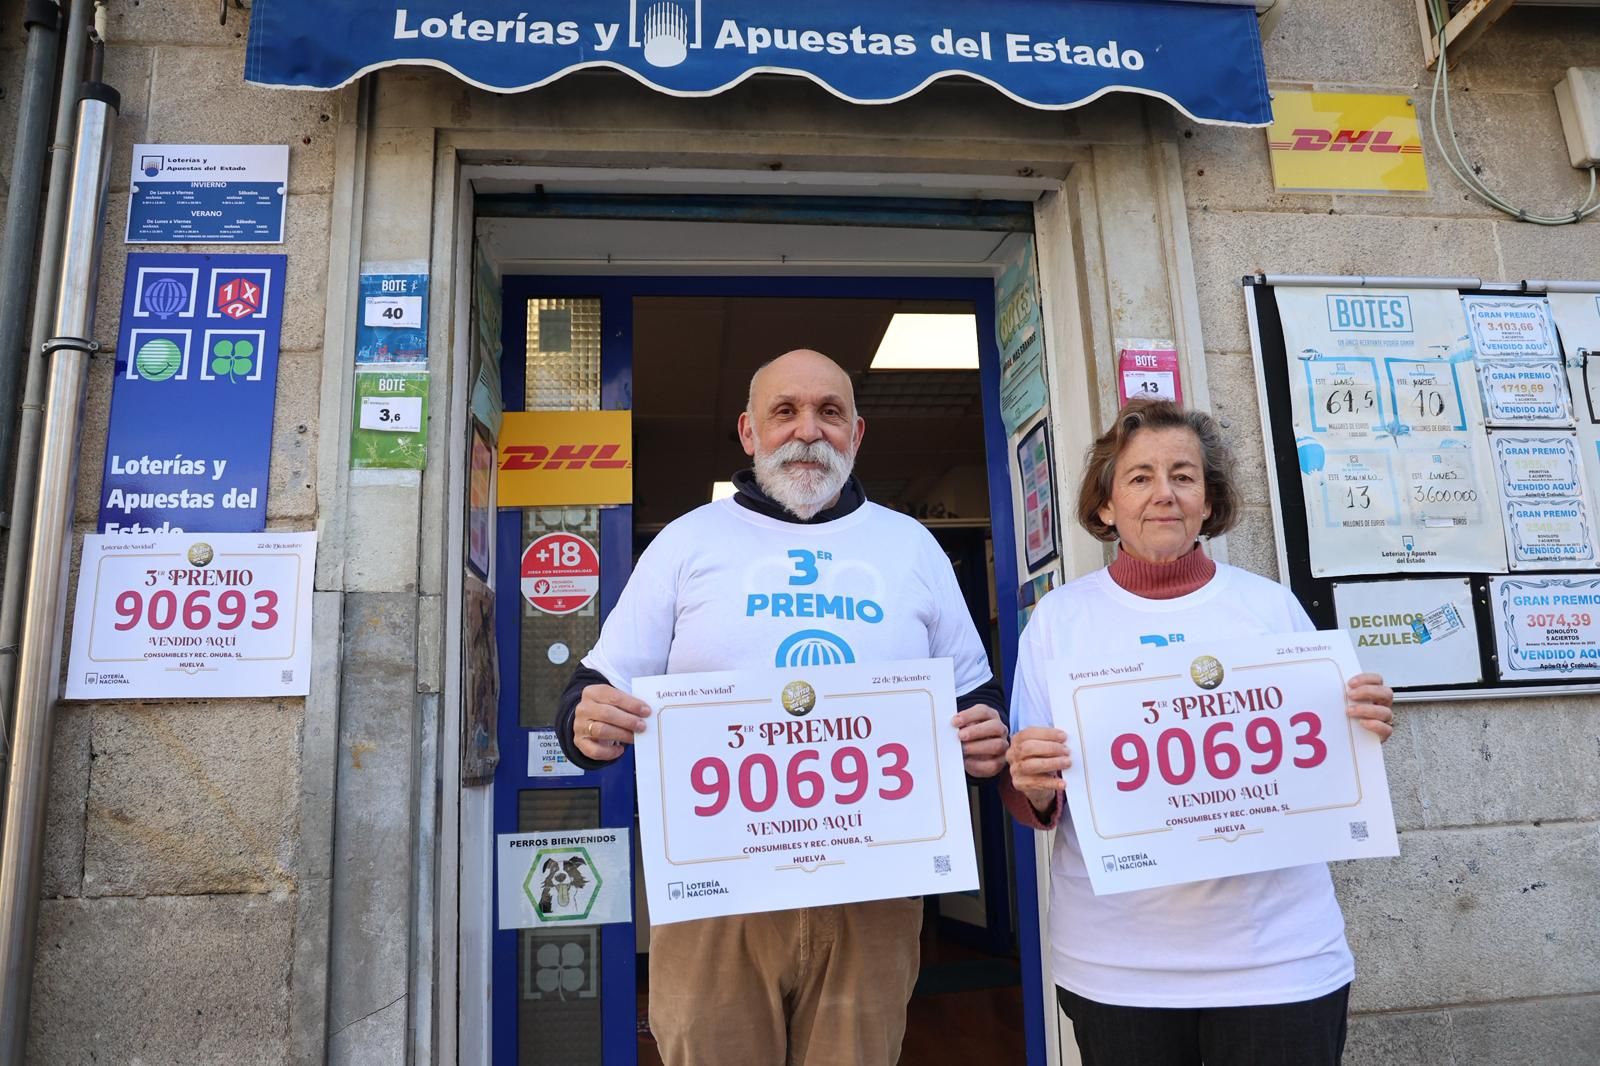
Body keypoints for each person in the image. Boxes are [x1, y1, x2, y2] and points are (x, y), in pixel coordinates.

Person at [554, 348, 1008, 1066]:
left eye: (830, 412)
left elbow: (975, 695)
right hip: (718, 895)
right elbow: (593, 687)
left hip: (874, 887)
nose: (808, 430)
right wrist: (586, 721)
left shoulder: (912, 547)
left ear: (856, 434)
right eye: (785, 412)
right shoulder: (686, 541)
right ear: (748, 431)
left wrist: (987, 738)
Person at [1002, 399, 1395, 1066]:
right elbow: (1031, 798)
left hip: (1279, 956)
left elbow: (1329, 761)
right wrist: (1035, 784)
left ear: (1208, 501)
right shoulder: (1059, 621)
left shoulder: (1269, 607)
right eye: (1140, 477)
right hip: (1119, 965)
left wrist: (1362, 726)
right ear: (1105, 506)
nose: (1165, 493)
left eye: (1183, 476)